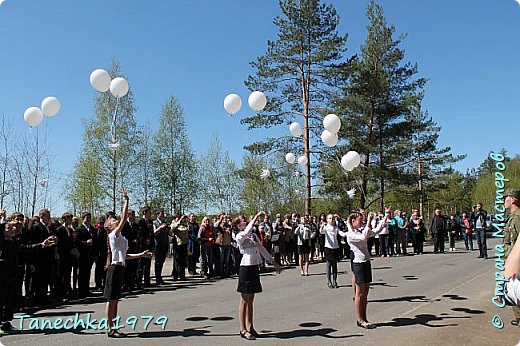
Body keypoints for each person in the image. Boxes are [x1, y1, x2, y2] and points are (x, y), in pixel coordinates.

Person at [104, 188, 153, 338]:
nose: (115, 220)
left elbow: (126, 256)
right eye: (112, 220)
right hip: (114, 268)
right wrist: (126, 200)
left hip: (120, 268)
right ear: (109, 227)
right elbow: (124, 218)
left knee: (116, 300)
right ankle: (110, 328)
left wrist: (142, 254)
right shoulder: (113, 234)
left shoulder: (121, 238)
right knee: (111, 300)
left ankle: (115, 326)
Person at [235, 211, 282, 340]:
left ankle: (250, 326)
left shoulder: (254, 235)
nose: (245, 221)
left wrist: (273, 262)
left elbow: (262, 249)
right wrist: (255, 216)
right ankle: (242, 329)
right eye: (242, 220)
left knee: (251, 299)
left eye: (245, 219)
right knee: (244, 299)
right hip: (245, 267)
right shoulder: (239, 235)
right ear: (239, 225)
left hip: (254, 267)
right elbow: (245, 233)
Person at [346, 208, 390, 329]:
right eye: (360, 221)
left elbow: (376, 231)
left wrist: (385, 216)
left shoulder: (361, 231)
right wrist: (369, 221)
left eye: (363, 221)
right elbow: (363, 238)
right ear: (353, 221)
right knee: (359, 293)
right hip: (358, 264)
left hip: (366, 263)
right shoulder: (350, 234)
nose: (362, 223)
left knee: (365, 292)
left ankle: (364, 318)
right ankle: (359, 319)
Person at [503, 189, 520, 326]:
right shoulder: (512, 216)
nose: (504, 200)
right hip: (512, 260)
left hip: (516, 262)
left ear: (513, 199)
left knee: (516, 291)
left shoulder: (517, 217)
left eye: (506, 197)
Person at [320, 214, 348, 288]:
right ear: (327, 220)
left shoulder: (336, 228)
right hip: (328, 248)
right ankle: (329, 281)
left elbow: (341, 233)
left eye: (332, 218)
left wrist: (348, 233)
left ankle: (335, 281)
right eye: (330, 218)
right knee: (329, 265)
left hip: (335, 247)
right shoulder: (326, 227)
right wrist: (322, 226)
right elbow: (321, 231)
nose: (331, 220)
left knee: (335, 265)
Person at [153, 209, 170, 285]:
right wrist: (160, 227)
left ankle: (160, 277)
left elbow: (170, 234)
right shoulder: (154, 223)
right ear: (157, 215)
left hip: (165, 243)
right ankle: (157, 278)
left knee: (162, 261)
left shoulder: (165, 223)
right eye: (161, 214)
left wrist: (168, 229)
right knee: (158, 262)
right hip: (158, 244)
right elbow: (154, 233)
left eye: (163, 214)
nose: (163, 215)